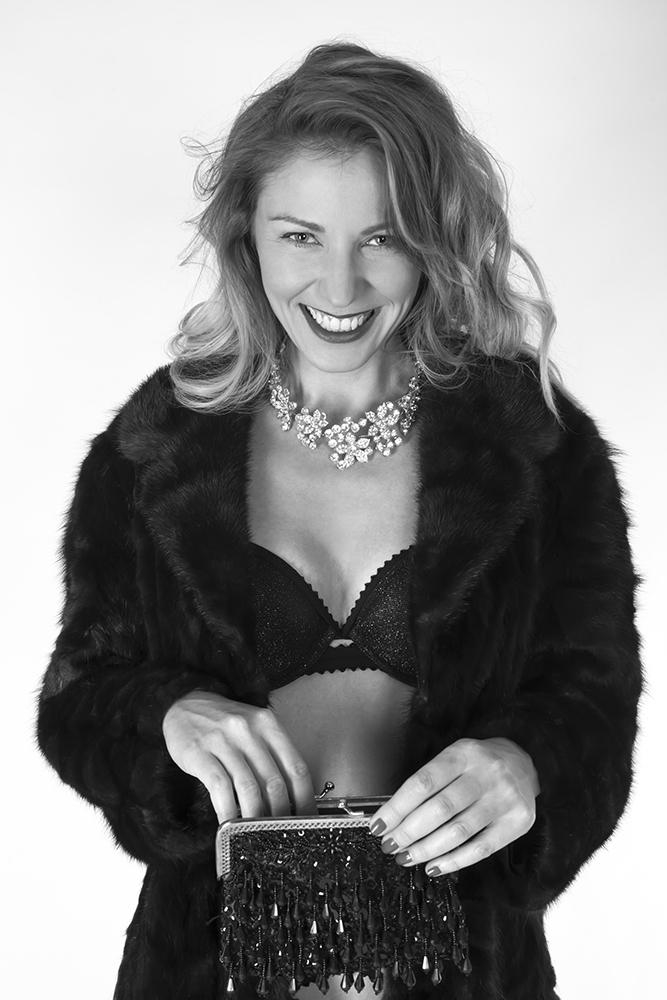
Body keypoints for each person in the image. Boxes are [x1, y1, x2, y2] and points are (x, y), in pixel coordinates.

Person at [35, 41, 643, 1000]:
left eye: (381, 237)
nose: (340, 287)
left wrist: (527, 762)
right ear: (246, 236)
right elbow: (78, 697)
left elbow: (594, 702)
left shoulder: (533, 449)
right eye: (301, 237)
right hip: (202, 972)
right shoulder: (155, 448)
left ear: (435, 236)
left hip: (470, 970)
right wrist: (165, 715)